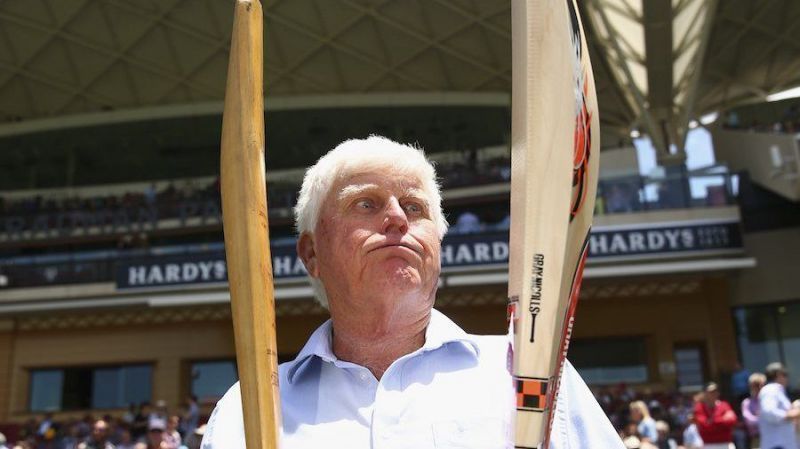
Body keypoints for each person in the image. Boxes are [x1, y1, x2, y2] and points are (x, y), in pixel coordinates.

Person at [201, 136, 624, 448]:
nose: (397, 219)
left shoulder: (530, 376)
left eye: (415, 207)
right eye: (366, 204)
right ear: (312, 253)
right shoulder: (250, 410)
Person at [758, 362, 800, 449]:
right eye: (785, 374)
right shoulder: (770, 389)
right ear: (779, 374)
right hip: (777, 445)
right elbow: (769, 412)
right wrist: (792, 414)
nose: (787, 378)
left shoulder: (777, 390)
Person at [693, 382, 737, 449]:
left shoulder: (724, 405)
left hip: (726, 444)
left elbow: (732, 421)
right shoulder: (699, 408)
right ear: (705, 393)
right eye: (711, 392)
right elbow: (703, 425)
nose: (714, 394)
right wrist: (723, 420)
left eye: (715, 391)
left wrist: (711, 422)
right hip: (708, 445)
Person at [741, 372, 765, 449]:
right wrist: (764, 417)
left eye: (760, 385)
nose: (758, 388)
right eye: (755, 385)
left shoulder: (769, 401)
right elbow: (749, 421)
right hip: (757, 439)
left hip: (773, 436)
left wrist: (759, 416)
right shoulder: (746, 403)